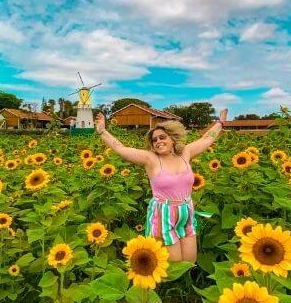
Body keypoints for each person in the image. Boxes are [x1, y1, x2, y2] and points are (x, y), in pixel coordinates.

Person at [94, 109, 228, 263]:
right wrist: (103, 131)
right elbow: (120, 148)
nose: (158, 141)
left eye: (162, 137)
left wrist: (220, 123)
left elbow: (206, 139)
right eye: (154, 140)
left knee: (190, 262)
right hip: (164, 214)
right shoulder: (150, 159)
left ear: (172, 139)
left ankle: (184, 286)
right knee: (174, 264)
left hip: (186, 211)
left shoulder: (185, 153)